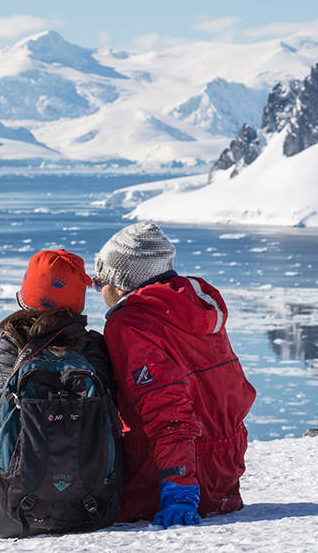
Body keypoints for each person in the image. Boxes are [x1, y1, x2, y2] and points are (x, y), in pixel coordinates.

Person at [0, 249, 115, 538]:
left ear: (26, 293)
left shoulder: (1, 340)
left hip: (9, 515)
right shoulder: (96, 350)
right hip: (94, 510)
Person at [94, 221, 256, 528]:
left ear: (119, 283)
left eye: (98, 280)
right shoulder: (196, 308)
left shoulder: (131, 324)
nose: (97, 288)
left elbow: (168, 411)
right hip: (223, 474)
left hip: (161, 484)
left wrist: (178, 488)